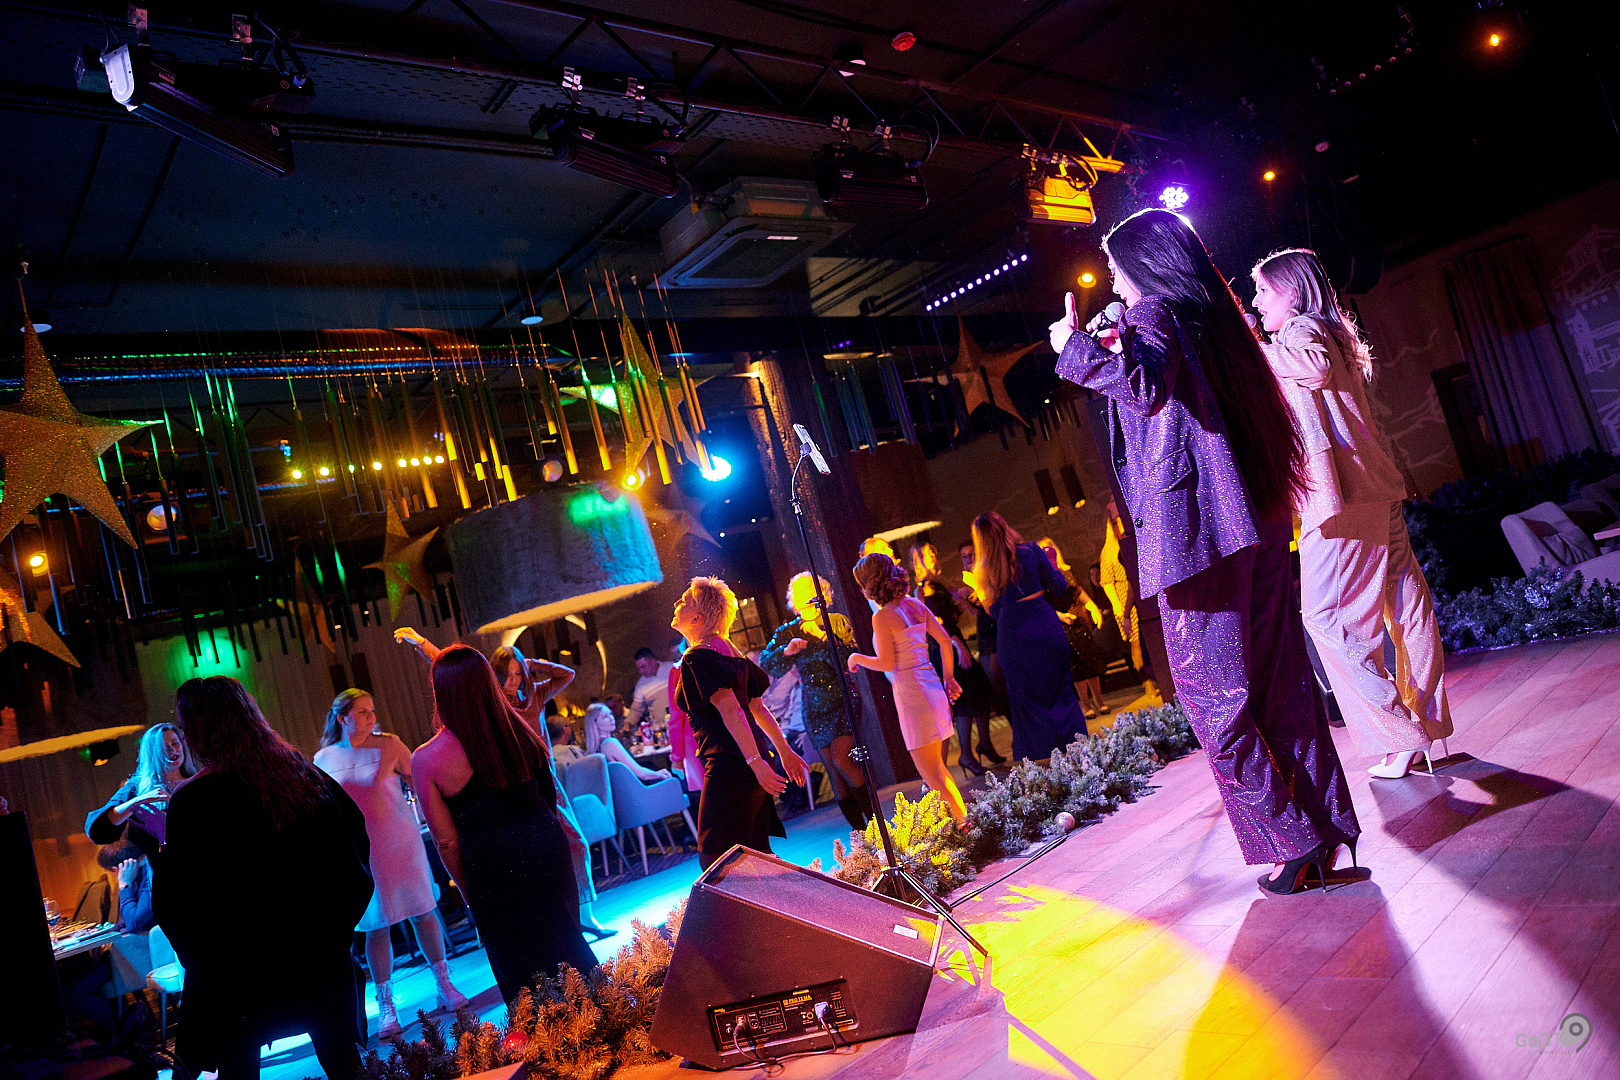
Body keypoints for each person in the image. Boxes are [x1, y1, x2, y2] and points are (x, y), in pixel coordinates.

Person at [1050, 207, 1360, 895]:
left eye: (1117, 269)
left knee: (1213, 701)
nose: (1115, 284)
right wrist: (1115, 343)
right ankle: (1323, 827)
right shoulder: (1213, 321)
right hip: (1256, 519)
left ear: (1144, 266)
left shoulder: (1154, 313)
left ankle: (1293, 843)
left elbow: (1143, 389)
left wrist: (1072, 348)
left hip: (1197, 536)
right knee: (1281, 685)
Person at [1252, 247, 1454, 778]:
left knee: (1325, 619)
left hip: (1340, 499)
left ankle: (1401, 734)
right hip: (1373, 488)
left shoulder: (1300, 333)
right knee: (1405, 607)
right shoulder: (1331, 331)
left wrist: (1252, 348)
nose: (1257, 301)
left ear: (1292, 292)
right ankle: (1424, 726)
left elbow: (1312, 368)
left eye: (1264, 290)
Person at [156, 676, 373, 1080]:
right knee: (344, 1065)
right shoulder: (302, 776)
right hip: (315, 958)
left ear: (201, 732)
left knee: (239, 1071)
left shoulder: (193, 801)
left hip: (238, 975)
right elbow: (352, 852)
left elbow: (174, 902)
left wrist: (206, 962)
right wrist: (334, 931)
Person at [395, 631, 612, 941]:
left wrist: (529, 663)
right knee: (545, 850)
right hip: (515, 781)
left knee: (576, 844)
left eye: (517, 674)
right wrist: (421, 643)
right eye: (506, 674)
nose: (512, 680)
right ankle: (569, 921)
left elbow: (567, 674)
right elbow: (456, 670)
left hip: (544, 776)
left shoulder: (533, 695)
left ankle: (582, 916)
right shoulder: (493, 700)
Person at [411, 646, 598, 1003]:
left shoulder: (426, 759)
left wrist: (469, 894)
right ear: (489, 682)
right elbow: (547, 796)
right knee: (568, 946)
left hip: (491, 864)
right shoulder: (519, 731)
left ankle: (545, 1033)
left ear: (440, 693)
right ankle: (606, 1016)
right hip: (544, 843)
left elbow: (446, 841)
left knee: (520, 970)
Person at [315, 690, 468, 1037]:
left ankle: (444, 984)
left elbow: (422, 783)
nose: (371, 716)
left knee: (423, 912)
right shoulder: (324, 758)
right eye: (362, 711)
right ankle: (386, 1005)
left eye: (372, 710)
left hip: (401, 841)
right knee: (376, 927)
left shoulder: (390, 744)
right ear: (342, 718)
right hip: (362, 851)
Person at [671, 577, 809, 869]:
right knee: (753, 853)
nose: (676, 604)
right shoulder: (732, 652)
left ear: (697, 618)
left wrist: (756, 762)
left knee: (715, 858)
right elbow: (757, 708)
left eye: (684, 601)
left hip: (729, 763)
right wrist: (782, 752)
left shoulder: (698, 657)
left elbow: (732, 710)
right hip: (747, 760)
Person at [848, 554, 968, 821]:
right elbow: (945, 641)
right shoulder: (914, 604)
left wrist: (856, 658)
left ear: (869, 584)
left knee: (932, 774)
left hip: (912, 694)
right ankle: (964, 821)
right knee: (939, 770)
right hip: (933, 687)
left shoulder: (882, 617)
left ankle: (965, 824)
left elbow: (886, 663)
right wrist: (949, 678)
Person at [759, 572, 872, 829]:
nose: (806, 600)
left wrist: (823, 637)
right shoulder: (789, 631)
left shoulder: (836, 621)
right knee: (833, 769)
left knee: (843, 759)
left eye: (811, 593)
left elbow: (851, 658)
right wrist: (787, 651)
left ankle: (876, 824)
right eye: (801, 595)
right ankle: (861, 832)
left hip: (843, 698)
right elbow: (766, 664)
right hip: (813, 706)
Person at [971, 514, 1089, 761]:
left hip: (1012, 634)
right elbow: (1059, 588)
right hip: (1043, 623)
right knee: (1061, 691)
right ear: (1004, 526)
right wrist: (1052, 562)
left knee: (1026, 702)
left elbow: (994, 611)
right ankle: (1077, 753)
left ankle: (1041, 763)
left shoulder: (982, 570)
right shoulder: (1031, 551)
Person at [911, 543, 997, 776]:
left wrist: (963, 599)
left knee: (979, 691)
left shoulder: (938, 585)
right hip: (947, 646)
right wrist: (957, 644)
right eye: (928, 553)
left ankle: (984, 745)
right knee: (964, 700)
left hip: (953, 641)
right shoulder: (924, 588)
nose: (934, 555)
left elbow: (958, 613)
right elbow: (932, 623)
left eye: (934, 551)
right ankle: (967, 754)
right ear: (919, 559)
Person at [85, 723, 195, 860]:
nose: (172, 750)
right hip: (161, 868)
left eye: (175, 743)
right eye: (164, 747)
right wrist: (140, 800)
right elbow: (98, 830)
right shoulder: (136, 788)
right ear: (152, 753)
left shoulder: (195, 783)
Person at [1037, 538, 1110, 718]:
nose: (1048, 550)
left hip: (1081, 621)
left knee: (1091, 662)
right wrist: (1061, 616)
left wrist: (1093, 607)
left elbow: (1078, 592)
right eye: (1043, 548)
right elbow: (1042, 605)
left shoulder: (1066, 571)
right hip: (1063, 624)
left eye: (1050, 546)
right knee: (1077, 666)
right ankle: (1086, 705)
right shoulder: (1040, 577)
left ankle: (1099, 701)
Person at [954, 537, 1008, 763]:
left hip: (1001, 626)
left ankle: (989, 742)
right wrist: (963, 600)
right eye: (964, 556)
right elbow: (975, 613)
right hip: (986, 632)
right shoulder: (967, 581)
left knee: (1006, 685)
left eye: (971, 554)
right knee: (995, 687)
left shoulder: (987, 573)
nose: (968, 559)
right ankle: (985, 744)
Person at [583, 702, 673, 782]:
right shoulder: (609, 743)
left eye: (610, 714)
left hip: (634, 790)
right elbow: (641, 774)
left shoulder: (600, 747)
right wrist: (660, 774)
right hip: (641, 789)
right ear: (595, 724)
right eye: (605, 717)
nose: (611, 718)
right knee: (673, 776)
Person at [99, 840, 154, 934]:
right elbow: (129, 917)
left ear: (118, 868)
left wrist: (125, 885)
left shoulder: (150, 877)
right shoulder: (140, 874)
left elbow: (133, 924)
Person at [627, 647, 674, 732]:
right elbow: (636, 710)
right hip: (661, 730)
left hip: (682, 722)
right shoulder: (640, 685)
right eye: (638, 668)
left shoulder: (672, 668)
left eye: (643, 666)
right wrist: (627, 724)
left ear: (653, 661)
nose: (641, 671)